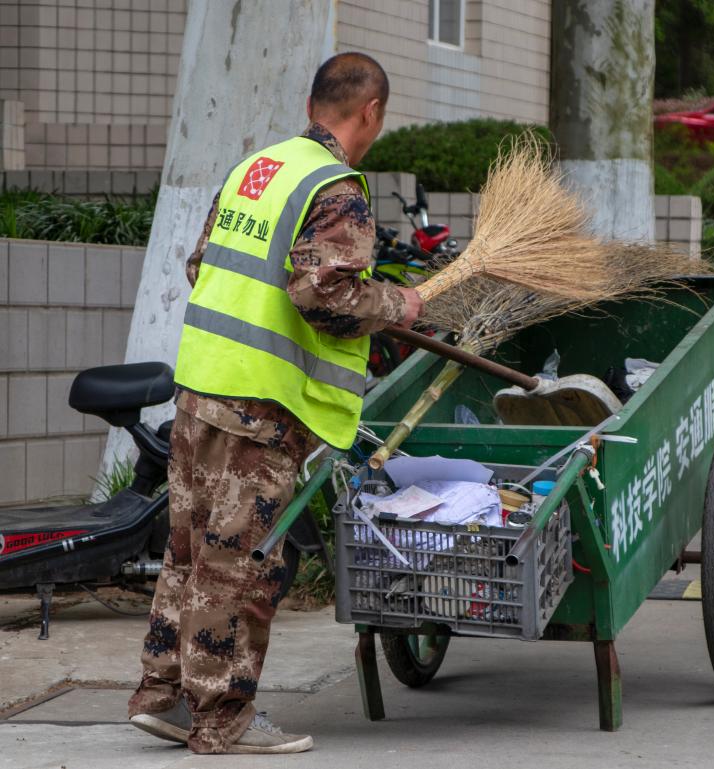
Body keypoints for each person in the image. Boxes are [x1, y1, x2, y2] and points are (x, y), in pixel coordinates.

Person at [126, 52, 421, 755]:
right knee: (242, 563)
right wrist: (399, 302)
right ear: (371, 112)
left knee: (190, 550)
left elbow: (201, 263)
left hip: (201, 386)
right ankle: (222, 717)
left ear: (313, 100)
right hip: (258, 407)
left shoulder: (258, 169)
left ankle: (163, 693)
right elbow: (325, 295)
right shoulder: (335, 187)